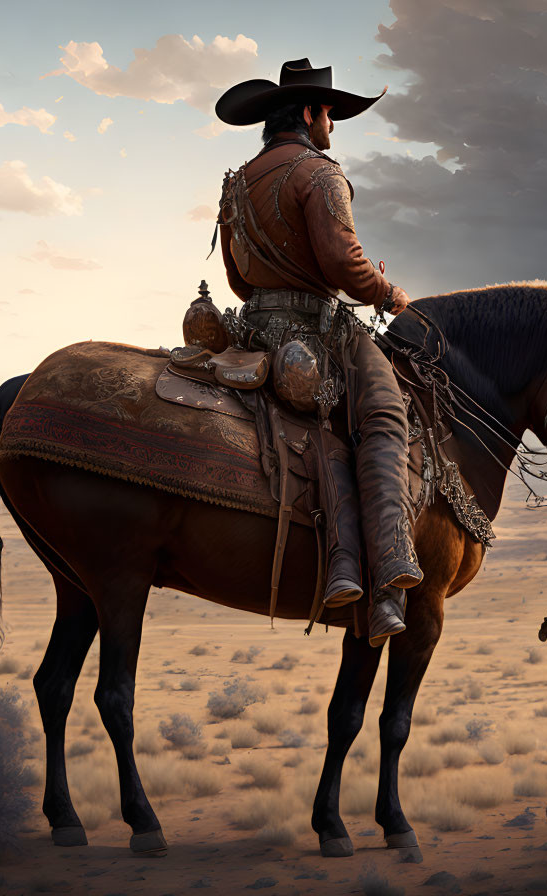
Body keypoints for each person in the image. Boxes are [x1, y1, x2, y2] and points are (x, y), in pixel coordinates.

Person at [214, 59, 421, 646]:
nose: (332, 124)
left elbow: (236, 278)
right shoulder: (318, 172)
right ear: (309, 114)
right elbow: (343, 264)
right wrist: (388, 292)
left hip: (252, 331)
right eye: (329, 113)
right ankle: (389, 567)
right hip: (318, 331)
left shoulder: (236, 183)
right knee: (384, 412)